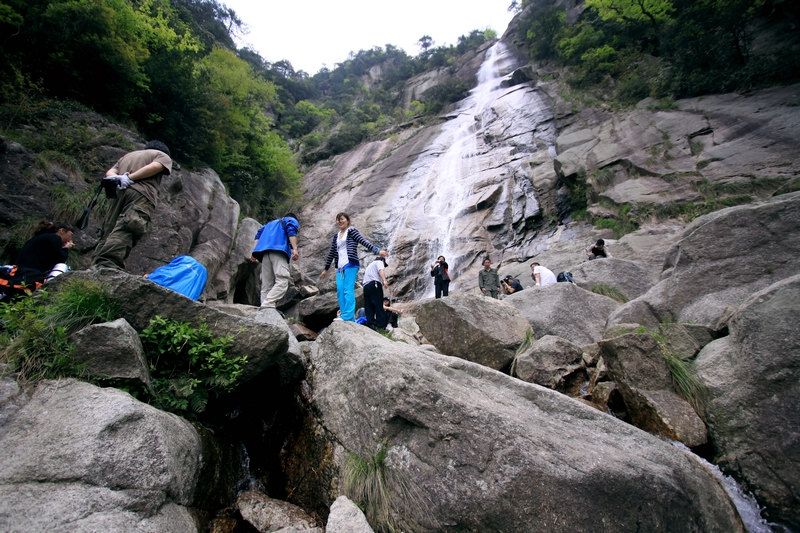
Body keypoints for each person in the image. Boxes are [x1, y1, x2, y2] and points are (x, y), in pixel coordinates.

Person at [93, 140, 173, 270]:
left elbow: (110, 171)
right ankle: (108, 264)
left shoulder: (128, 156)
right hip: (141, 193)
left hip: (119, 193)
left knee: (110, 227)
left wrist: (119, 178)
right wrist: (130, 178)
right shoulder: (162, 155)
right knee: (129, 226)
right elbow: (155, 167)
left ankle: (96, 263)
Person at [320, 212, 387, 322]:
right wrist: (326, 269)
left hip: (351, 265)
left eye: (342, 219)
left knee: (348, 290)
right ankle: (346, 316)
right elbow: (332, 252)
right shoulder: (336, 236)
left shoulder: (351, 231)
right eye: (338, 219)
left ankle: (347, 316)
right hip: (339, 268)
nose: (339, 221)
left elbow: (363, 241)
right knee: (340, 291)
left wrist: (377, 250)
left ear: (347, 220)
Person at [249, 213, 300, 308]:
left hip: (264, 254)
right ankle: (267, 304)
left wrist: (254, 251)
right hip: (278, 252)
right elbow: (291, 231)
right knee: (283, 280)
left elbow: (258, 235)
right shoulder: (290, 220)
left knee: (266, 284)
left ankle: (264, 309)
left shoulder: (268, 224)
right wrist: (295, 249)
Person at [362, 256, 388, 329]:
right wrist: (384, 280)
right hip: (374, 284)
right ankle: (381, 326)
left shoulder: (369, 266)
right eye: (384, 264)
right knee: (379, 305)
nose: (384, 266)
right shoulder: (379, 262)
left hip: (366, 286)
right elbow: (381, 270)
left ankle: (371, 324)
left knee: (368, 306)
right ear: (382, 260)